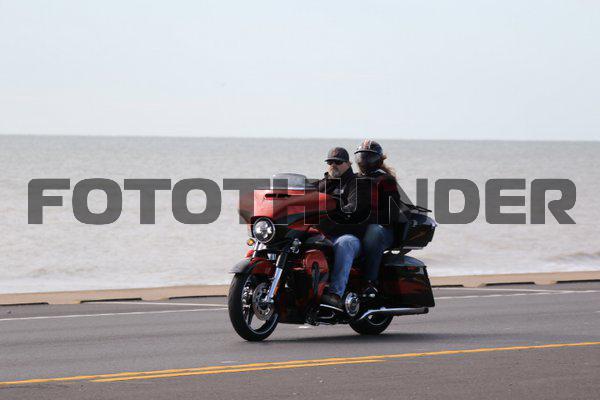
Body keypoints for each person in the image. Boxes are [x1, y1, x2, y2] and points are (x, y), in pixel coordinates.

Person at [354, 139, 410, 297]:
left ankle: (370, 282)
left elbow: (391, 213)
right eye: (362, 156)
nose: (365, 160)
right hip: (359, 227)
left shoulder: (386, 180)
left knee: (373, 232)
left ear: (378, 160)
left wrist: (367, 218)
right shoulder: (353, 179)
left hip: (383, 230)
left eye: (369, 157)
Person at [317, 147, 370, 310]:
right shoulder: (321, 184)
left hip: (349, 236)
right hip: (325, 234)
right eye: (330, 162)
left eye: (338, 162)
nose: (333, 165)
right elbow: (301, 199)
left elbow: (354, 208)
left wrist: (330, 214)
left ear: (348, 163)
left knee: (344, 243)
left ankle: (335, 294)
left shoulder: (356, 183)